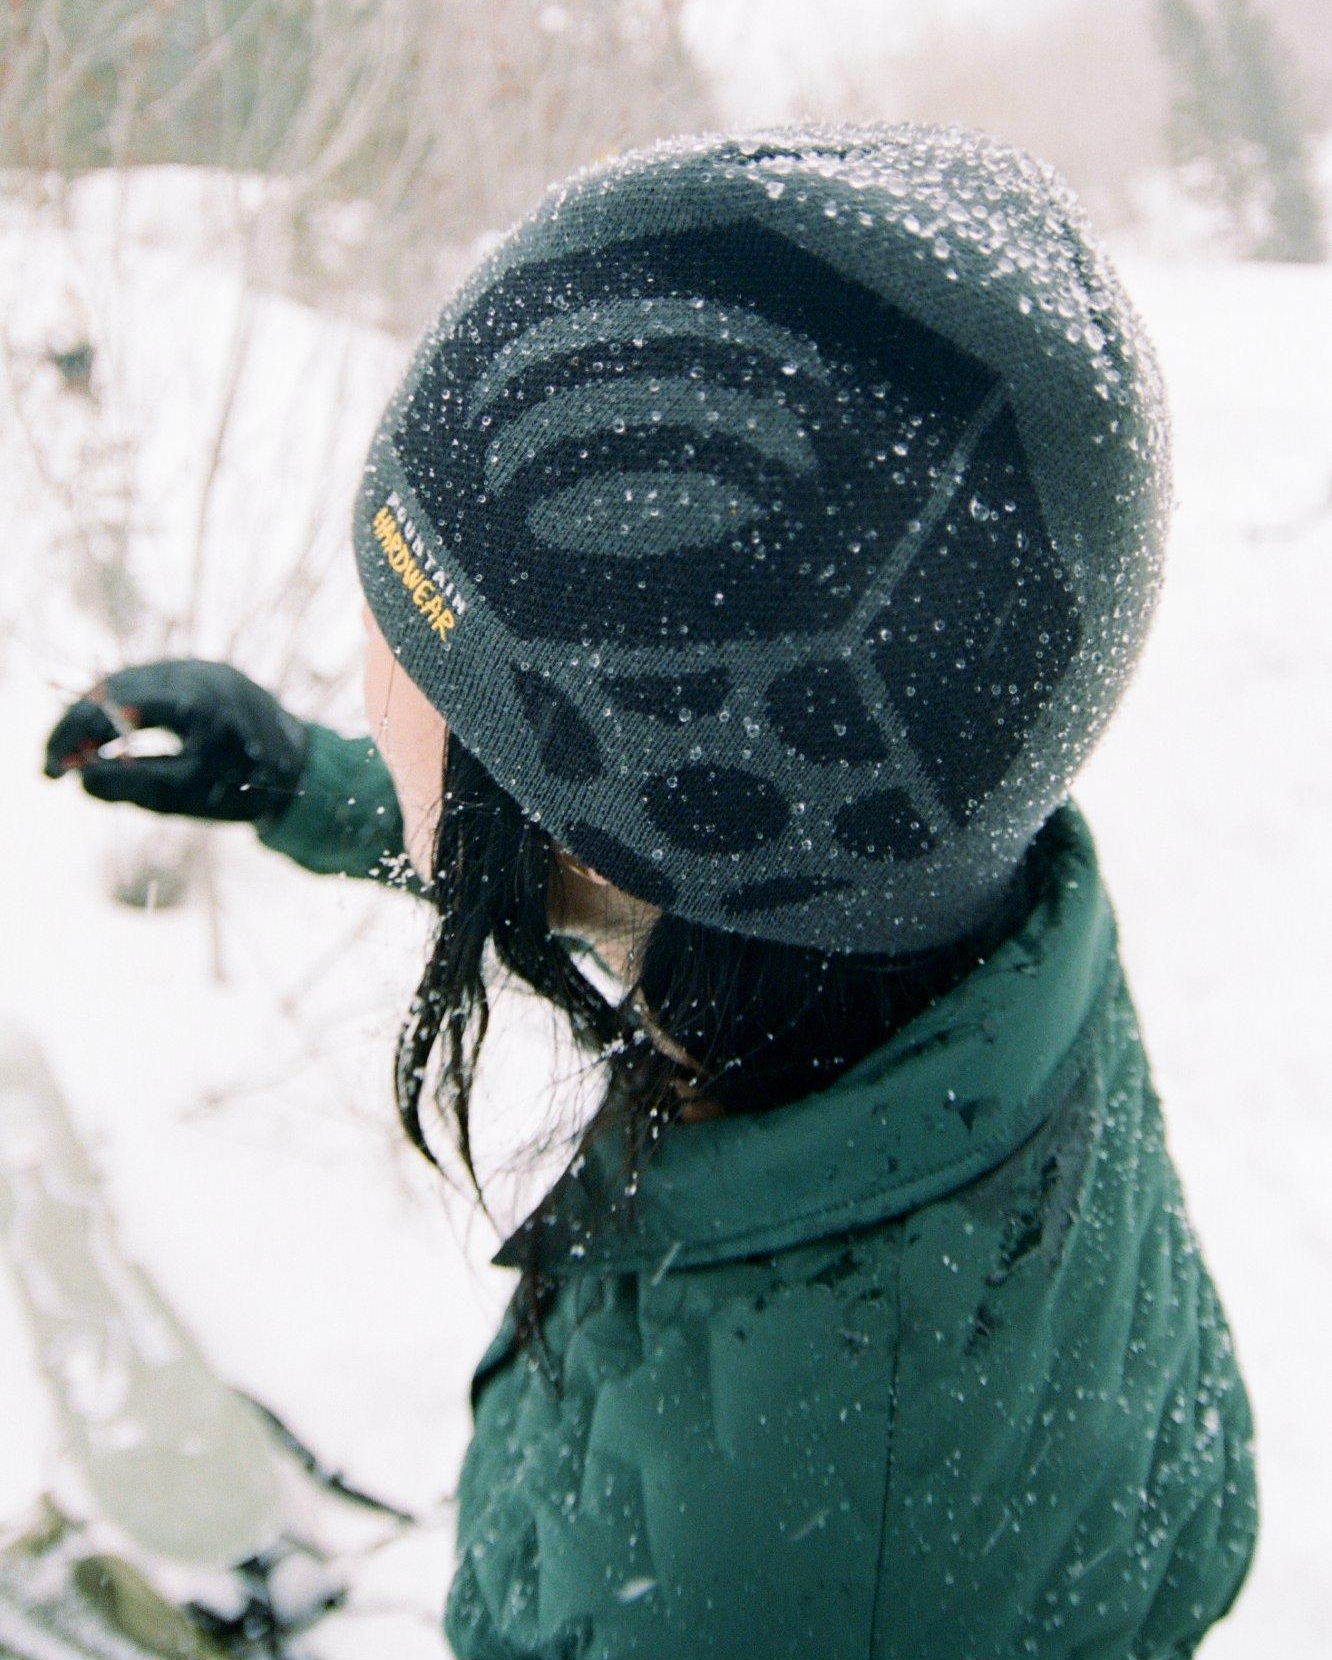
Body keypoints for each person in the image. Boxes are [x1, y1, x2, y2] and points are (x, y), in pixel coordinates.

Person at [43, 121, 1257, 1658]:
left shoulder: (746, 1586)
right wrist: (304, 780)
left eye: (401, 643)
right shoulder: (946, 931)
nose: (364, 673)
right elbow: (633, 838)